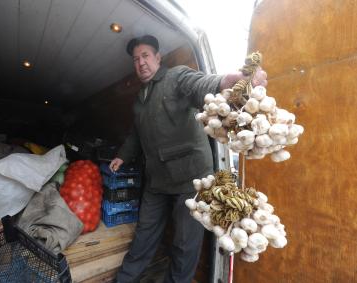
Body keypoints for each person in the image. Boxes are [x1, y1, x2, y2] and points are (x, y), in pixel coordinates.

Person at [110, 35, 267, 283]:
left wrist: (227, 82)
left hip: (191, 179)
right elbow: (136, 134)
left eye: (146, 56)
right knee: (144, 236)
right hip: (157, 180)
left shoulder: (176, 77)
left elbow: (200, 85)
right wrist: (122, 155)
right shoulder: (139, 100)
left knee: (184, 245)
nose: (141, 63)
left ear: (158, 57)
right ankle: (125, 280)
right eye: (136, 59)